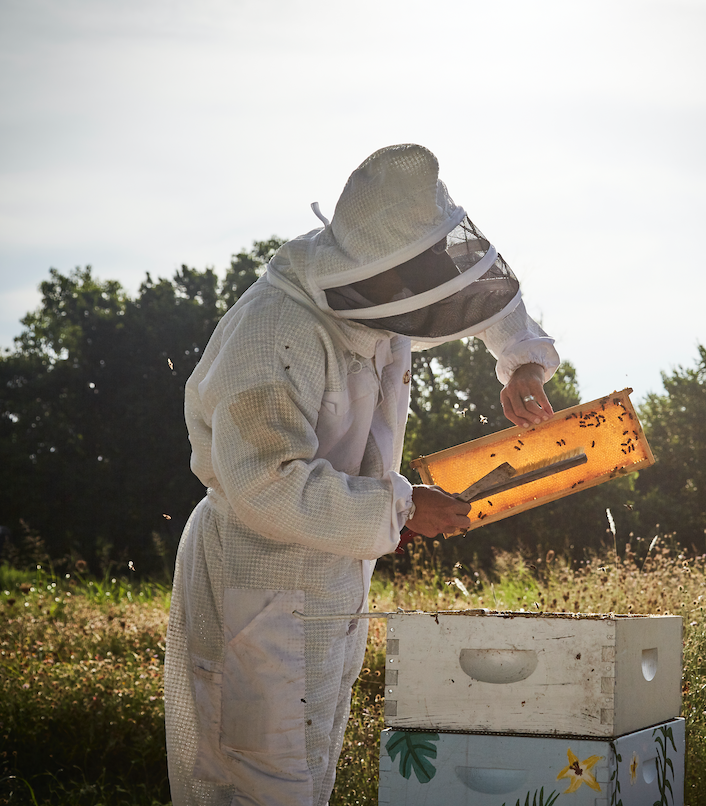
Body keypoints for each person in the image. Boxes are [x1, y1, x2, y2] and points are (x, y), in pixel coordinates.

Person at [163, 144, 560, 806]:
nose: (422, 300)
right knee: (254, 782)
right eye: (412, 277)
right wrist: (403, 509)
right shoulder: (276, 333)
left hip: (330, 573)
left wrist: (522, 364)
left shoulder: (388, 293)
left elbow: (485, 302)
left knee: (308, 768)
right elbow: (266, 486)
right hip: (256, 580)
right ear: (372, 267)